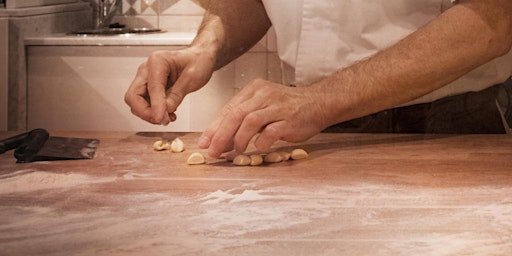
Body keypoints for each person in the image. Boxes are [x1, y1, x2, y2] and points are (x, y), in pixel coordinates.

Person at [124, 0, 512, 159]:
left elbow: (494, 18)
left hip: (440, 130)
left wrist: (320, 100)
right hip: (305, 134)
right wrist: (204, 49)